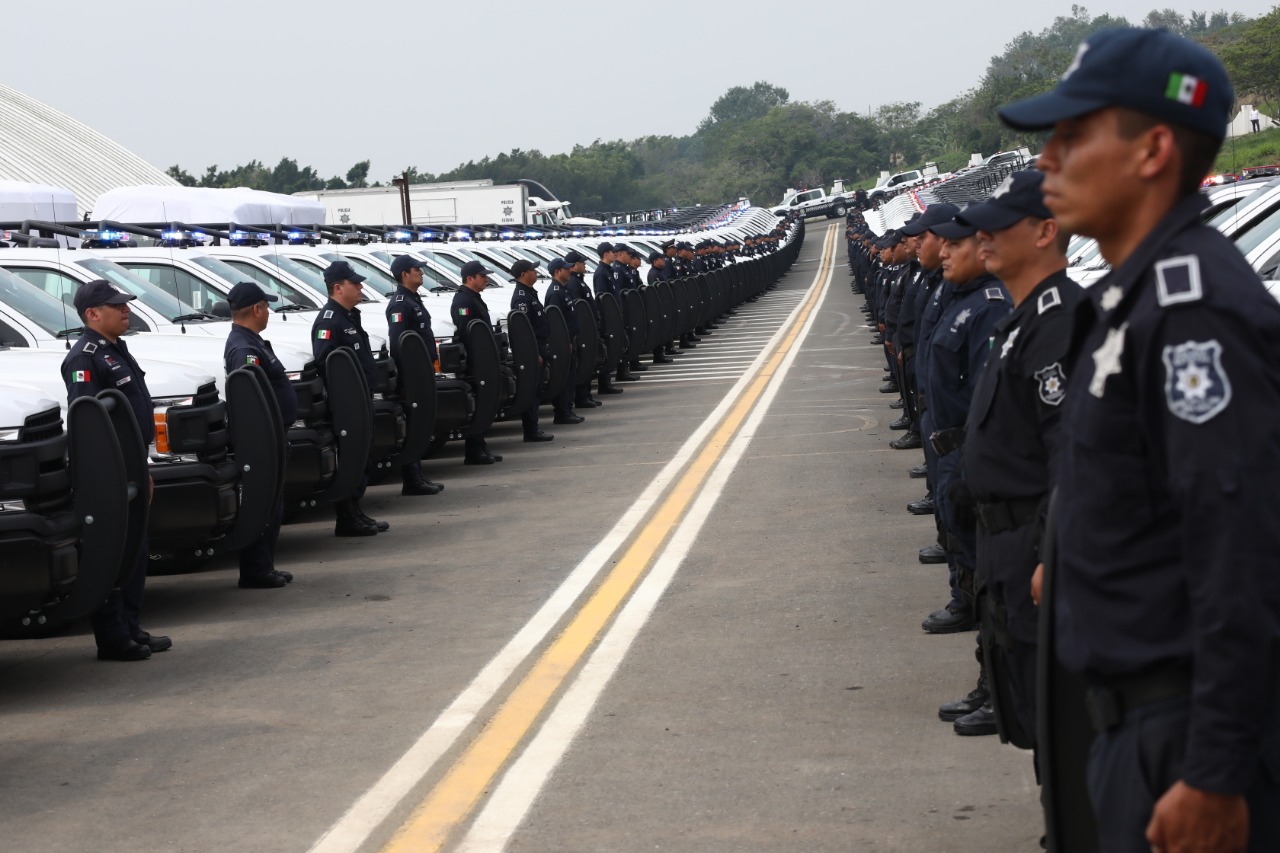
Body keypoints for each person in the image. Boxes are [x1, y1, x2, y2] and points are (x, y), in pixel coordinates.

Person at [1001, 27, 1280, 851]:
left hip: (1186, 737)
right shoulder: (1135, 300)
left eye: (1073, 135)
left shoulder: (1194, 315)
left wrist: (1216, 769)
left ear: (1154, 149)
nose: (1048, 159)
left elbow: (1239, 548)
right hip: (1134, 725)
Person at [945, 171, 1082, 746]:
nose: (984, 239)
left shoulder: (1062, 324)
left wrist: (1053, 553)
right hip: (1005, 546)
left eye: (998, 228)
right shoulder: (1021, 324)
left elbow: (1071, 455)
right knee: (1028, 706)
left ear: (1045, 232)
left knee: (1062, 724)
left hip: (1035, 547)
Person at [62, 280, 171, 660]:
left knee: (136, 549)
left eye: (125, 304)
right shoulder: (84, 358)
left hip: (132, 463)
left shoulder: (115, 349)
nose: (127, 310)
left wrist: (142, 468)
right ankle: (112, 637)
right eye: (117, 306)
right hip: (111, 469)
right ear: (92, 314)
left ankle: (131, 627)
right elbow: (90, 423)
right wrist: (111, 475)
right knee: (115, 549)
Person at [919, 214, 1010, 639]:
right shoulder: (959, 295)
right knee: (956, 530)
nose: (944, 252)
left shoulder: (989, 305)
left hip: (965, 445)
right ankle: (964, 597)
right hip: (947, 442)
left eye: (955, 245)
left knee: (975, 542)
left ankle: (972, 607)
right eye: (944, 243)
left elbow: (986, 394)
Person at [224, 281, 299, 589]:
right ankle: (256, 569)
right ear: (256, 309)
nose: (268, 312)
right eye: (266, 307)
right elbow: (250, 398)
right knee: (264, 504)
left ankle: (264, 565)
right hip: (262, 438)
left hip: (272, 434)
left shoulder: (252, 342)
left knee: (273, 503)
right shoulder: (245, 349)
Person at [314, 260, 388, 536]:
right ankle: (346, 517)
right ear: (337, 287)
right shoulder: (329, 321)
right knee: (350, 458)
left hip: (360, 400)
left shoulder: (348, 316)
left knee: (362, 457)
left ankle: (356, 510)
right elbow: (328, 365)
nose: (360, 288)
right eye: (354, 283)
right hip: (346, 405)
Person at [386, 254, 444, 496]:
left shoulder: (413, 300)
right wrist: (407, 377)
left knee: (421, 423)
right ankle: (412, 479)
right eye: (416, 269)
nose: (421, 273)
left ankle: (417, 475)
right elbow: (400, 344)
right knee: (413, 424)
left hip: (422, 370)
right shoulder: (400, 304)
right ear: (404, 274)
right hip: (412, 374)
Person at [452, 260, 504, 465]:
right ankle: (474, 451)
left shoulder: (474, 298)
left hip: (483, 359)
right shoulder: (463, 301)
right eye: (482, 276)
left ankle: (480, 447)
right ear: (470, 278)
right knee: (478, 406)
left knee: (484, 404)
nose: (486, 279)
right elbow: (468, 333)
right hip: (475, 362)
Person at [508, 259, 558, 441]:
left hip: (540, 345)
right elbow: (524, 330)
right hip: (533, 349)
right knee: (533, 390)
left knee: (538, 389)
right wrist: (534, 353)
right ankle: (531, 430)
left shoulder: (529, 294)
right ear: (523, 274)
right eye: (532, 270)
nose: (536, 273)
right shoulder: (522, 298)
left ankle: (534, 428)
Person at [543, 257, 588, 420]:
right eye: (566, 269)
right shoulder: (555, 293)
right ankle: (563, 412)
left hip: (570, 340)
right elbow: (556, 322)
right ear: (557, 271)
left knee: (571, 377)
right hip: (564, 342)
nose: (569, 271)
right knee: (565, 377)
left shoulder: (563, 290)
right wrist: (565, 341)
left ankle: (567, 409)